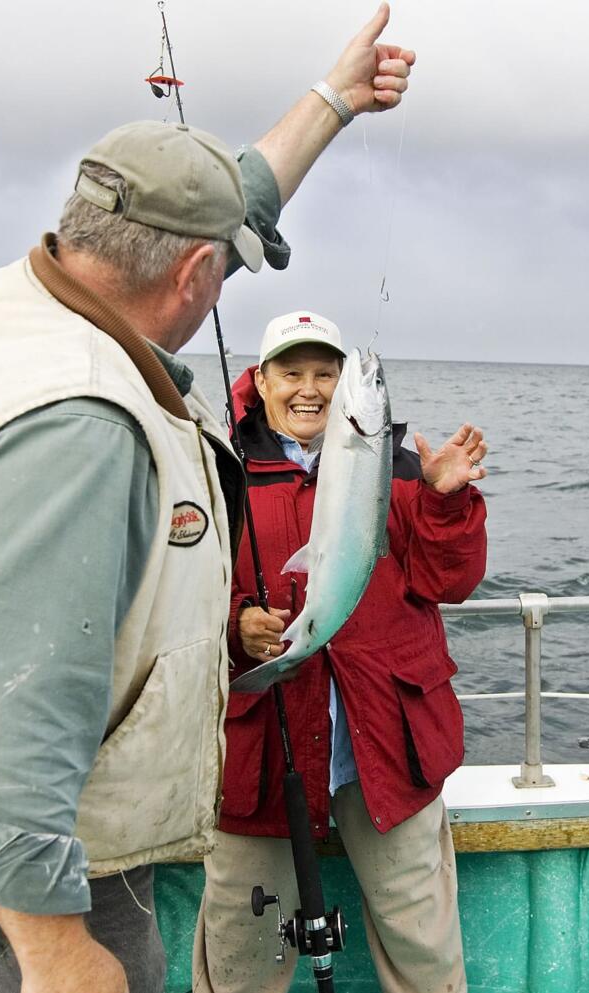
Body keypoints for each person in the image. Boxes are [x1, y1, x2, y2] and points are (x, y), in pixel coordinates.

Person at [0, 6, 416, 992]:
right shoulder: (79, 425)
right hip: (30, 868)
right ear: (195, 271)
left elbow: (226, 196)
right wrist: (55, 945)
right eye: (225, 265)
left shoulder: (9, 297)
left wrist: (335, 101)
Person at [190, 311, 487, 993]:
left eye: (328, 373)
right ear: (259, 381)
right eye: (291, 372)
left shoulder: (403, 470)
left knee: (426, 958)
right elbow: (179, 590)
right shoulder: (220, 470)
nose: (310, 389)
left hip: (386, 749)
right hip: (264, 754)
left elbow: (454, 580)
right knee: (242, 960)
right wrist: (238, 626)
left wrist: (446, 501)